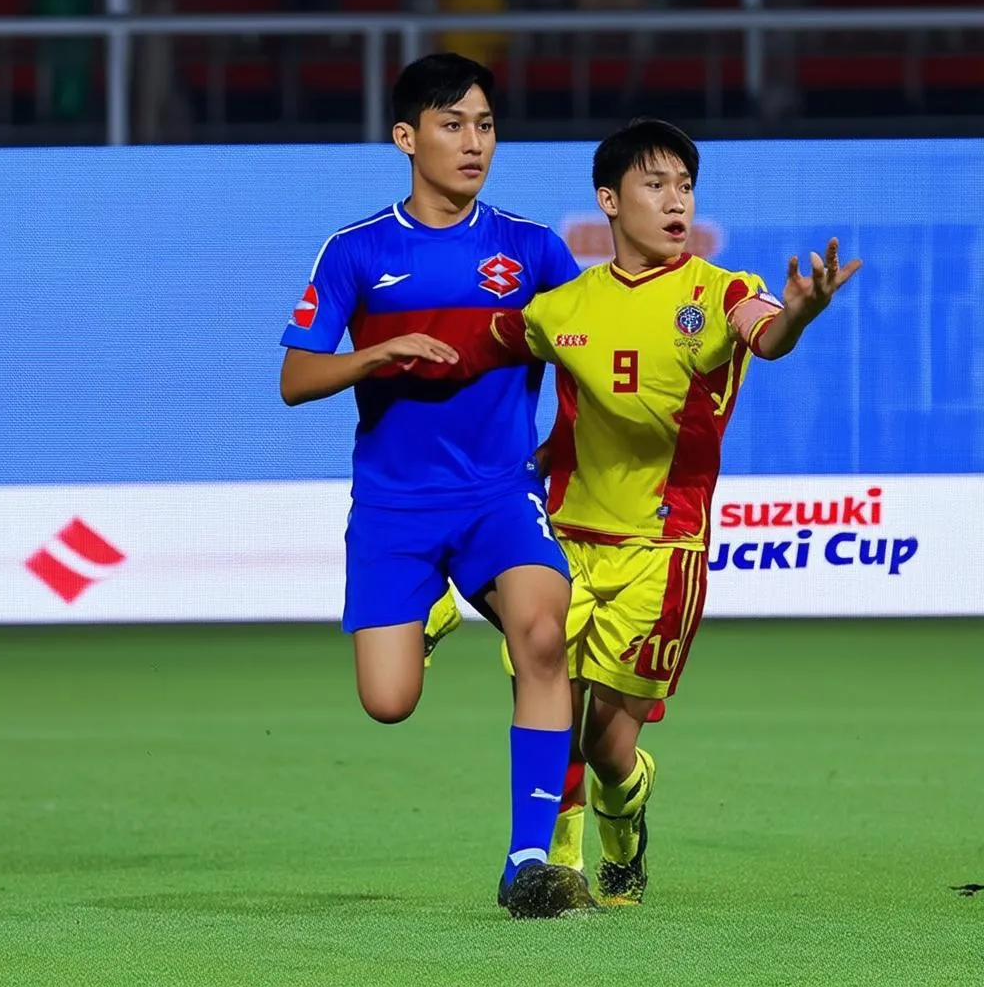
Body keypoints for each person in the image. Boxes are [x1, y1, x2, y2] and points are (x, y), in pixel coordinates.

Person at [404, 117, 862, 903]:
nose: (676, 200)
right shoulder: (565, 307)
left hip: (661, 551)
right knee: (551, 709)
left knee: (609, 746)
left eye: (685, 186)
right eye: (656, 184)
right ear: (610, 199)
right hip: (564, 545)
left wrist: (803, 312)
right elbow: (481, 350)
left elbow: (770, 335)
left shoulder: (721, 293)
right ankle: (561, 871)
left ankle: (628, 821)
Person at [278, 53, 595, 918]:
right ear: (405, 137)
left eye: (486, 124)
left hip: (500, 493)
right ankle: (432, 614)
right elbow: (296, 378)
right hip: (393, 507)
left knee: (541, 633)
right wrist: (378, 354)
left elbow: (588, 355)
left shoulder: (533, 248)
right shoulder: (357, 251)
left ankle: (527, 862)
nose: (473, 142)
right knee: (387, 703)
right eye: (452, 125)